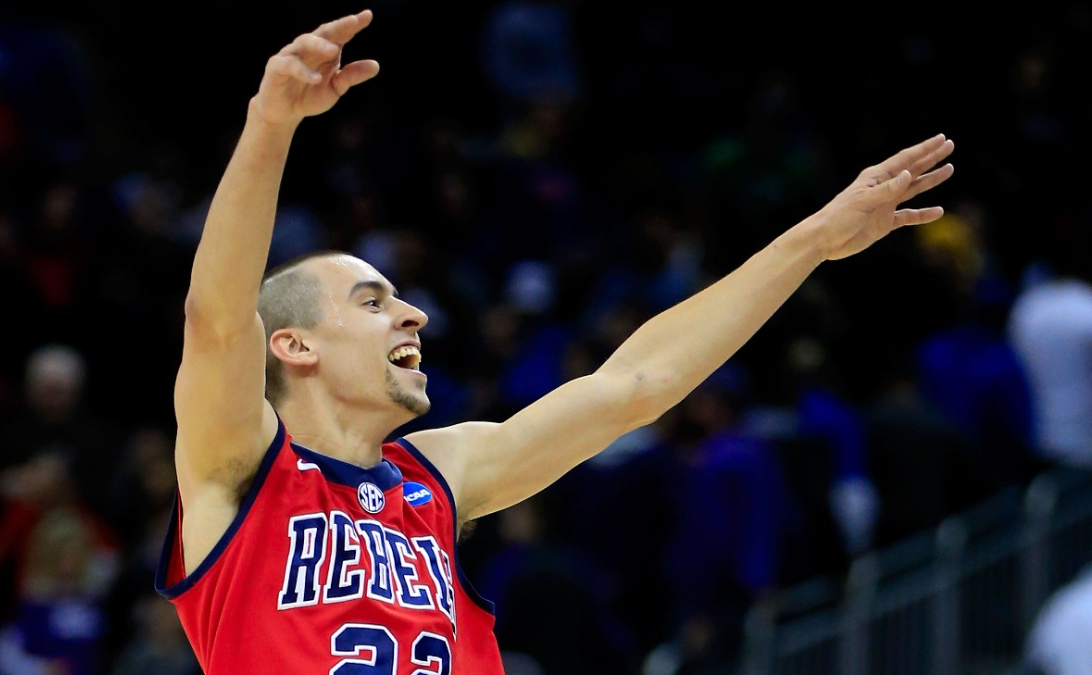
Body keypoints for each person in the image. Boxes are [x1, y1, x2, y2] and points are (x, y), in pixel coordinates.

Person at [153, 9, 955, 674]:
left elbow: (638, 381)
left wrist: (812, 239)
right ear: (293, 345)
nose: (414, 316)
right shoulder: (239, 470)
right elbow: (217, 319)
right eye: (373, 301)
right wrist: (272, 123)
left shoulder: (439, 475)